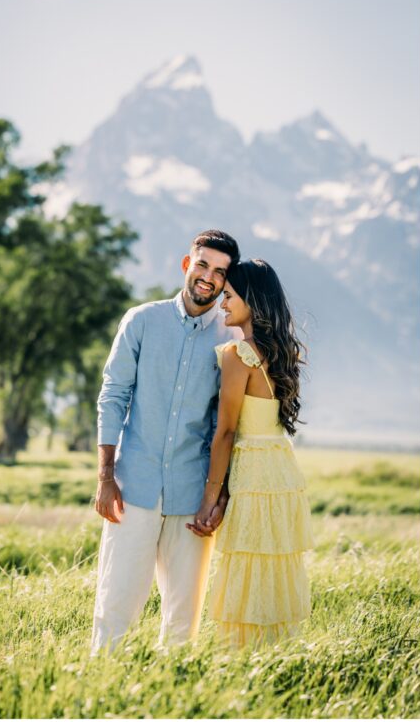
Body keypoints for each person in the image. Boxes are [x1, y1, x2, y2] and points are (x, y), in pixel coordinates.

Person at [91, 229, 241, 653]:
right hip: (132, 488)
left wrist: (220, 495)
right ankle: (98, 690)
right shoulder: (141, 321)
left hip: (192, 496)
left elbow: (226, 426)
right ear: (186, 265)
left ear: (226, 282)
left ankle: (172, 698)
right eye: (203, 264)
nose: (208, 277)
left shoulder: (230, 342)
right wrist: (105, 477)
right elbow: (113, 395)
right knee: (114, 604)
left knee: (183, 618)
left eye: (219, 272)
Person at [192, 259, 313, 648]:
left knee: (247, 563)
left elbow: (226, 432)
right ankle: (274, 652)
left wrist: (210, 498)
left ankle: (243, 654)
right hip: (280, 468)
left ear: (251, 300)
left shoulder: (237, 353)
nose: (223, 305)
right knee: (272, 564)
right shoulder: (281, 352)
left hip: (254, 470)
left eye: (228, 296)